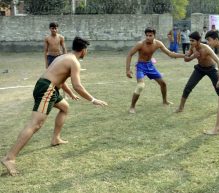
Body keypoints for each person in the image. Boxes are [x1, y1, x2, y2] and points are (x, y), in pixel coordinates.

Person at [1, 37, 108, 176]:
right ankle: (10, 158)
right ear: (84, 50)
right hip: (48, 89)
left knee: (65, 108)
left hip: (47, 86)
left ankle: (55, 138)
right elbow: (78, 85)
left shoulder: (65, 56)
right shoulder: (74, 62)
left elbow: (61, 79)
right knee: (35, 124)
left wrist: (69, 94)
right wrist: (93, 99)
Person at [126, 27, 185, 114]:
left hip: (150, 66)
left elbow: (170, 53)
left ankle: (165, 101)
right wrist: (127, 70)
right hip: (141, 66)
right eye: (147, 35)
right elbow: (130, 54)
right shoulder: (140, 44)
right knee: (140, 86)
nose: (148, 37)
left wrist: (184, 55)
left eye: (150, 35)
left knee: (163, 84)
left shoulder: (158, 43)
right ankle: (132, 107)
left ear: (154, 35)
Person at [175, 31, 219, 113]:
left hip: (211, 69)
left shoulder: (206, 48)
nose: (191, 42)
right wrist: (193, 56)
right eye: (190, 40)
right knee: (188, 87)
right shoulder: (192, 47)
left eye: (192, 40)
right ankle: (181, 107)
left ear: (199, 40)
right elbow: (186, 59)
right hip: (200, 69)